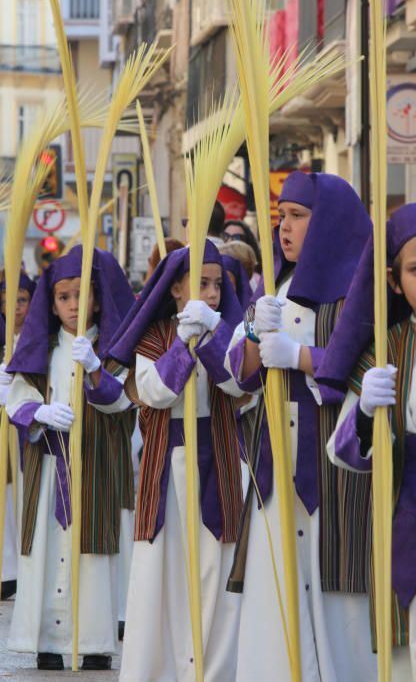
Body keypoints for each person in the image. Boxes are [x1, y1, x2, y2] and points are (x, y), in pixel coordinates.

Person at [225, 171, 375, 682]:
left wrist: (302, 357)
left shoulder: (361, 287)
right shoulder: (272, 285)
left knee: (336, 580)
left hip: (336, 453)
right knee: (276, 581)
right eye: (280, 216)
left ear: (327, 220)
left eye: (297, 216)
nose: (283, 227)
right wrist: (250, 329)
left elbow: (365, 361)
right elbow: (239, 376)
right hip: (276, 454)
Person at [320, 201, 416, 681]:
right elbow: (341, 450)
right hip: (415, 513)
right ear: (394, 281)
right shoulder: (387, 347)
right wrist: (365, 411)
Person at [108, 240, 245, 682]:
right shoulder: (154, 336)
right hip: (166, 463)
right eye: (200, 284)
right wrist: (185, 342)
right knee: (163, 572)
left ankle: (214, 669)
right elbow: (154, 392)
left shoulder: (227, 330)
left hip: (219, 459)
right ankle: (160, 670)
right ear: (175, 289)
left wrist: (213, 335)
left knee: (215, 568)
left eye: (216, 285)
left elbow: (239, 385)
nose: (210, 294)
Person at [5, 246, 136, 671]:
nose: (74, 305)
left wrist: (97, 368)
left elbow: (125, 402)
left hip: (97, 464)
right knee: (46, 546)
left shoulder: (116, 346)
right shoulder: (40, 348)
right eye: (64, 297)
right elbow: (18, 396)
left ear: (98, 297)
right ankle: (47, 639)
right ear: (52, 301)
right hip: (49, 465)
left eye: (82, 295)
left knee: (95, 552)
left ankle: (95, 638)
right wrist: (37, 412)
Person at [0, 271, 36, 601]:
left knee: (24, 496)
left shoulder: (39, 338)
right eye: (8, 301)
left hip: (27, 431)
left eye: (22, 300)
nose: (14, 307)